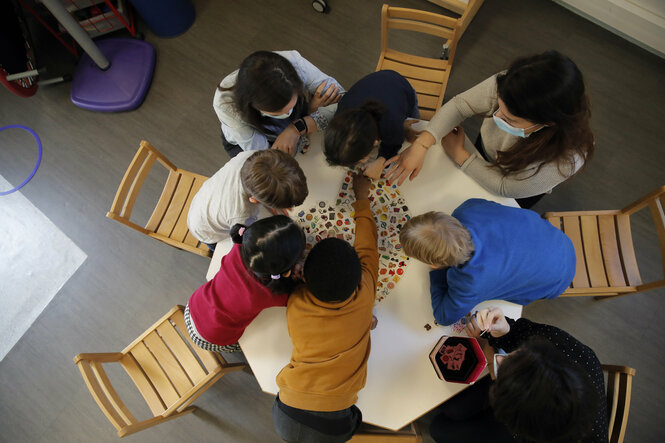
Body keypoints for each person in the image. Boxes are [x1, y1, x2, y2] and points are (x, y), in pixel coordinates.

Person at [385, 50, 594, 208]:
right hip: (486, 151)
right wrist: (422, 144)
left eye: (510, 119)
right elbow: (460, 105)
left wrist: (462, 156)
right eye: (498, 107)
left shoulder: (567, 160)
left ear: (547, 123)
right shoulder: (511, 83)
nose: (496, 117)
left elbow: (505, 188)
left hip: (514, 185)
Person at [272, 173, 378, 443]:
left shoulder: (296, 303)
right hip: (302, 413)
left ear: (304, 278)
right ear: (359, 276)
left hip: (290, 405)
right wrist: (362, 199)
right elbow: (368, 246)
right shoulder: (366, 289)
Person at [429, 307, 607, 443]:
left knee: (439, 428)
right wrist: (503, 329)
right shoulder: (569, 348)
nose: (498, 358)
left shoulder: (529, 431)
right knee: (451, 408)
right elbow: (517, 331)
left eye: (500, 375)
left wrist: (490, 357)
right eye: (516, 355)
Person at [399, 199, 575, 325]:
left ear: (435, 264)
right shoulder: (466, 210)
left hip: (557, 280)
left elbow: (444, 317)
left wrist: (437, 274)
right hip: (560, 240)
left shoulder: (469, 282)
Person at [185, 216, 305, 353]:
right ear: (286, 272)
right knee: (245, 346)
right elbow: (296, 296)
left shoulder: (239, 246)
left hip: (195, 304)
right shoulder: (270, 294)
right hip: (211, 338)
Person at [214, 50, 343, 157]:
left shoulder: (294, 63)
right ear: (254, 106)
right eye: (278, 112)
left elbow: (345, 100)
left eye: (291, 106)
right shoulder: (226, 106)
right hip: (250, 143)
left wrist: (297, 127)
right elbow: (269, 156)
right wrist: (309, 115)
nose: (288, 114)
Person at [187, 149, 308, 248]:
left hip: (206, 198)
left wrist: (272, 201)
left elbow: (267, 181)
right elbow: (244, 244)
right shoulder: (242, 216)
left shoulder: (253, 156)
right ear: (254, 200)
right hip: (207, 231)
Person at [323, 70, 420, 179]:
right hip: (381, 83)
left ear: (375, 142)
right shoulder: (342, 112)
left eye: (359, 161)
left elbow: (395, 141)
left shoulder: (392, 124)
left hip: (403, 89)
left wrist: (381, 160)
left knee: (414, 125)